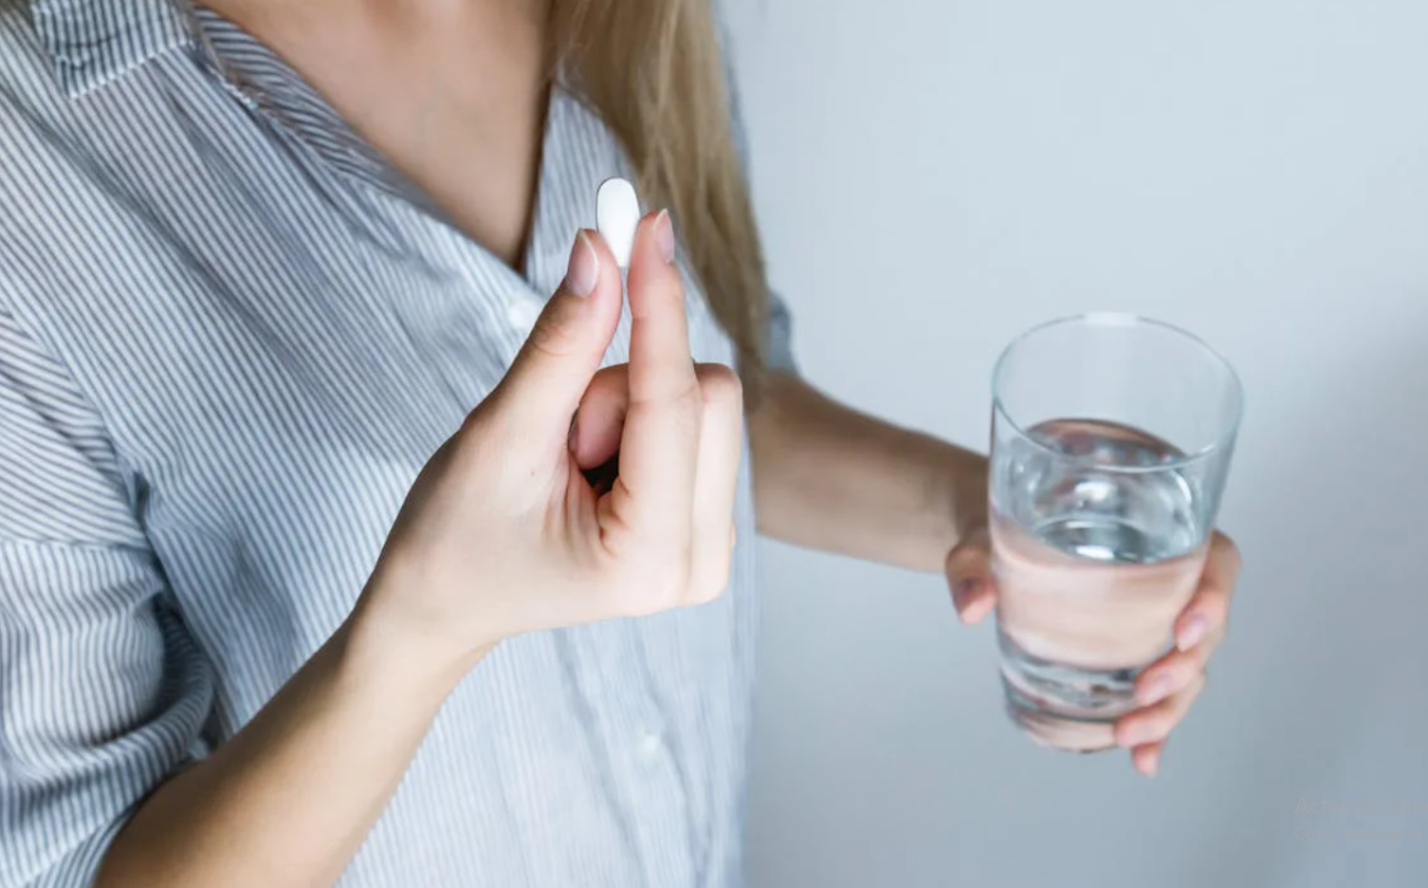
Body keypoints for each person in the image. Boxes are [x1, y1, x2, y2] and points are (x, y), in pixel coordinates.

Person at [0, 1, 1243, 886]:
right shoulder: (35, 164)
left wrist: (985, 517)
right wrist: (423, 625)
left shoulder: (635, 17)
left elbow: (714, 396)